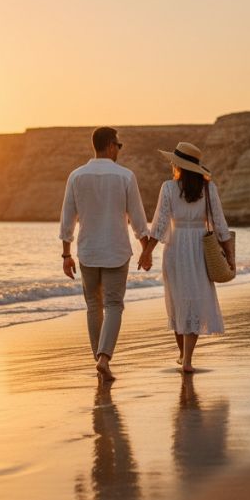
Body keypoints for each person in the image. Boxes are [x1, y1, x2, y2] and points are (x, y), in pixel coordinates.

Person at [60, 127, 150, 381]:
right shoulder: (125, 176)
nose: (118, 151)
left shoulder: (76, 176)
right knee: (113, 305)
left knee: (93, 306)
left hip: (88, 250)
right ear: (110, 145)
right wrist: (146, 248)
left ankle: (99, 360)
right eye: (118, 146)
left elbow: (67, 218)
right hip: (116, 250)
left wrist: (66, 254)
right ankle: (104, 358)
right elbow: (138, 218)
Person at [138, 142, 233, 373]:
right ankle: (186, 358)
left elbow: (159, 224)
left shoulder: (169, 188)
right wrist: (230, 256)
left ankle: (183, 356)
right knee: (195, 300)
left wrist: (146, 251)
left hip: (176, 246)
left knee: (178, 301)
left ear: (178, 165)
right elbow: (220, 225)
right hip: (201, 246)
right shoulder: (209, 189)